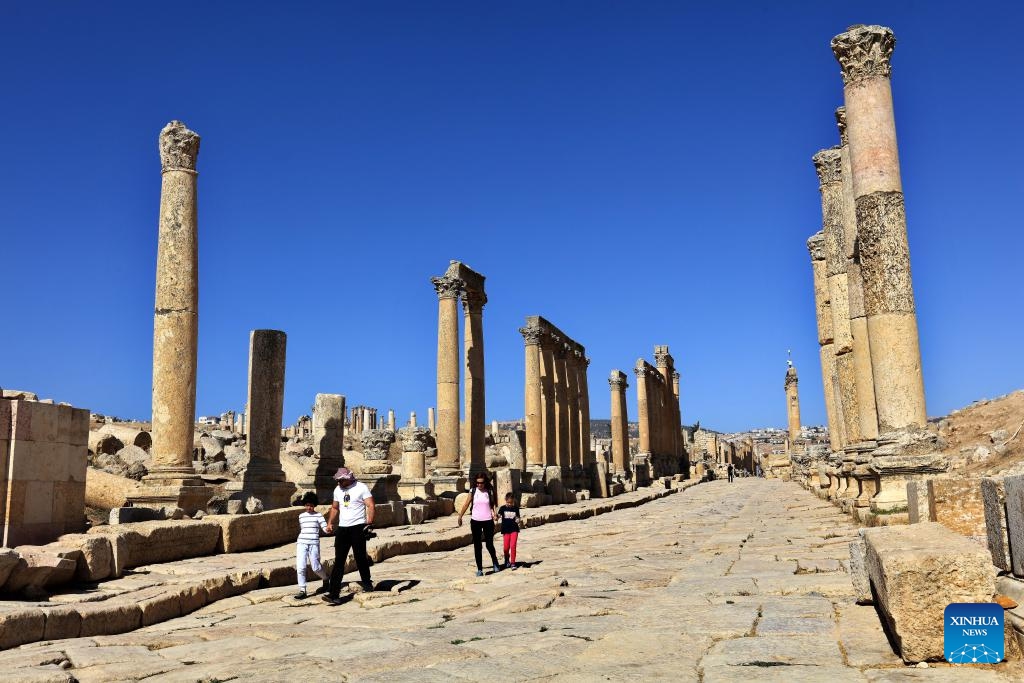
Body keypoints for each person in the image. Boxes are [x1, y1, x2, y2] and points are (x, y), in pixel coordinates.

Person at [323, 467, 375, 604]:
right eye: (338, 480)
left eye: (341, 480)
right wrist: (330, 523)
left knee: (360, 557)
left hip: (358, 527)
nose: (339, 482)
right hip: (342, 528)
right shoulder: (337, 490)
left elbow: (370, 505)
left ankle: (367, 584)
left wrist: (369, 523)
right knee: (339, 560)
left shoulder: (361, 487)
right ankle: (333, 593)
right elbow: (335, 507)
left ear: (348, 478)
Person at [458, 473, 500, 576]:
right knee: (477, 546)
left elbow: (493, 504)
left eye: (481, 483)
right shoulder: (473, 491)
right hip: (475, 521)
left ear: (485, 482)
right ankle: (480, 569)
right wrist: (460, 516)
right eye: (477, 483)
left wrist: (495, 514)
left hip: (488, 521)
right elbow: (466, 504)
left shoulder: (489, 491)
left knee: (489, 544)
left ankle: (495, 562)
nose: (479, 485)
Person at [294, 491, 329, 599]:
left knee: (316, 567)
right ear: (304, 505)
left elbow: (324, 527)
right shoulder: (301, 516)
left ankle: (326, 579)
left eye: (311, 505)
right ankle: (302, 590)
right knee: (300, 566)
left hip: (314, 543)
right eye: (307, 505)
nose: (309, 507)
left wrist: (327, 529)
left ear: (314, 505)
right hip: (301, 543)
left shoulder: (318, 515)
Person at [497, 492, 522, 570]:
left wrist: (518, 520)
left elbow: (518, 518)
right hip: (505, 530)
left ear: (513, 501)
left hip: (514, 529)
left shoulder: (516, 508)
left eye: (511, 502)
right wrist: (496, 517)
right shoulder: (502, 508)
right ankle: (507, 560)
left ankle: (513, 563)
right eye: (508, 502)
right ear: (505, 500)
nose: (509, 504)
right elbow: (498, 515)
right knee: (506, 548)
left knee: (513, 546)